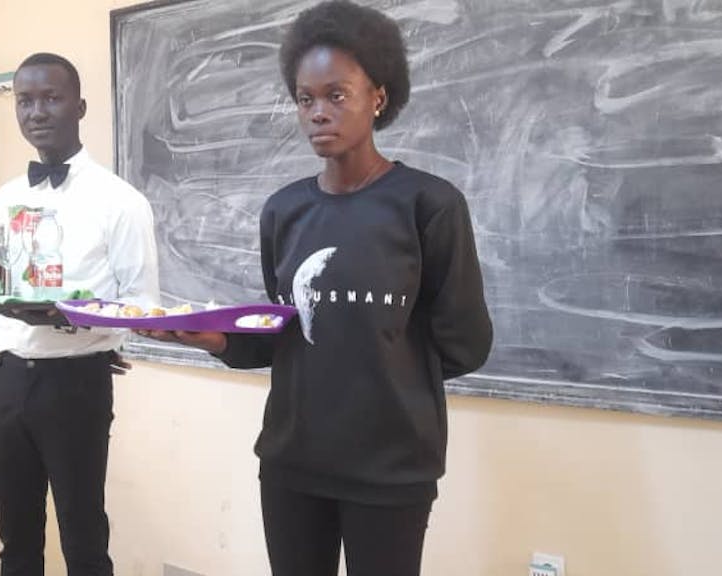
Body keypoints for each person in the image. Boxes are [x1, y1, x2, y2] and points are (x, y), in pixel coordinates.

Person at [139, 2, 492, 574]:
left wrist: (387, 373)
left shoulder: (429, 205)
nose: (318, 112)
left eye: (337, 94)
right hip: (292, 463)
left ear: (378, 97)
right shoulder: (284, 211)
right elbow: (286, 332)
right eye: (305, 99)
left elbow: (466, 344)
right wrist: (219, 339)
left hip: (391, 471)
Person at [0, 52, 159, 576]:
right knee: (15, 539)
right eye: (25, 101)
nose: (36, 111)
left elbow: (142, 304)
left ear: (80, 107)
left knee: (83, 539)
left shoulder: (120, 201)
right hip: (8, 379)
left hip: (74, 383)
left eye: (51, 98)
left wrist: (81, 322)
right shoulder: (6, 197)